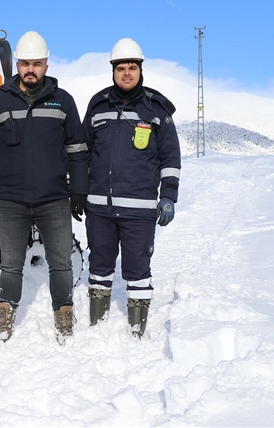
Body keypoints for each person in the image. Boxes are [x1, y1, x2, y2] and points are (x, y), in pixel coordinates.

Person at [0, 31, 89, 343]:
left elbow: (77, 150)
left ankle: (63, 313)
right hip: (11, 200)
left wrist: (78, 190)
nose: (30, 69)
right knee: (11, 264)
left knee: (61, 263)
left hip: (54, 199)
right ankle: (6, 313)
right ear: (18, 66)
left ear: (46, 65)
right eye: (25, 63)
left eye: (37, 63)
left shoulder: (63, 102)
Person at [81, 38, 181, 338]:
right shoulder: (98, 106)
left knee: (137, 267)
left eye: (132, 67)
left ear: (140, 70)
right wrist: (76, 191)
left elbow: (170, 157)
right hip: (99, 207)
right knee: (99, 264)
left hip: (139, 210)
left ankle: (136, 328)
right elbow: (82, 152)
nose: (127, 73)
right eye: (121, 68)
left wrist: (168, 197)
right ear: (113, 71)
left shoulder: (156, 110)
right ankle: (97, 323)